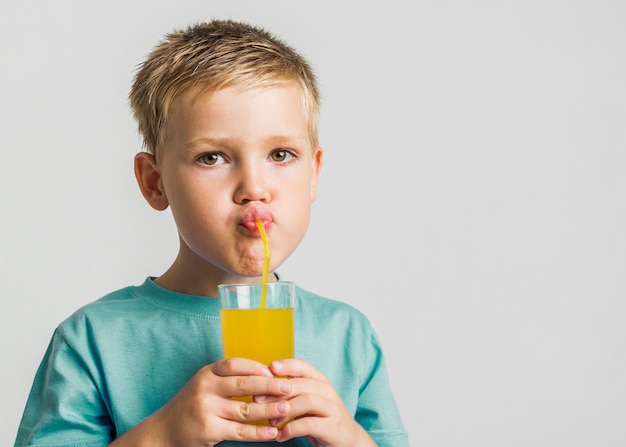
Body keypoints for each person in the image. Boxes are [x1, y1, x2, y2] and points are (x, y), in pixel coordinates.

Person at [14, 20, 409, 447]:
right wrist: (164, 435)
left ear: (313, 175)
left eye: (281, 154)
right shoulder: (91, 341)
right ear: (154, 182)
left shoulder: (348, 336)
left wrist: (349, 438)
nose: (254, 187)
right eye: (212, 157)